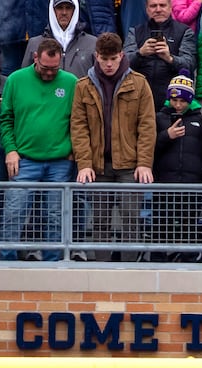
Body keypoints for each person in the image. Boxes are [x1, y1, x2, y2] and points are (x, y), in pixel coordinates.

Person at [70, 33, 157, 256]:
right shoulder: (83, 86)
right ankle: (100, 275)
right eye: (104, 59)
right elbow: (79, 128)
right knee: (99, 223)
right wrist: (84, 164)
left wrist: (144, 163)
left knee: (131, 223)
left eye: (113, 59)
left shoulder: (139, 83)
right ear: (96, 56)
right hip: (98, 166)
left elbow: (147, 126)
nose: (109, 64)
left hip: (130, 166)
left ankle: (129, 276)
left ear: (121, 55)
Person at [0, 40, 79, 261]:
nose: (50, 73)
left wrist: (73, 149)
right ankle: (7, 262)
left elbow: (78, 120)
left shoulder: (71, 82)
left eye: (55, 68)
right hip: (24, 159)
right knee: (14, 212)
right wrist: (10, 150)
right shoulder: (16, 80)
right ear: (35, 58)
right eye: (45, 68)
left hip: (60, 161)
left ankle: (54, 262)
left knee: (56, 215)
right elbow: (5, 119)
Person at [125, 0, 197, 108]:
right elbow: (122, 63)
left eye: (162, 5)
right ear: (147, 9)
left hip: (172, 101)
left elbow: (189, 65)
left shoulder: (185, 31)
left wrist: (170, 58)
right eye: (153, 6)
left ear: (170, 7)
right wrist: (140, 53)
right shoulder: (135, 31)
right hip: (139, 98)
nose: (158, 10)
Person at [27, 0, 99, 78]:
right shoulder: (35, 44)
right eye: (59, 8)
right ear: (52, 10)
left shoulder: (92, 43)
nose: (64, 12)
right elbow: (25, 80)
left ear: (75, 10)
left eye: (68, 8)